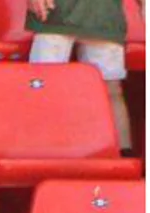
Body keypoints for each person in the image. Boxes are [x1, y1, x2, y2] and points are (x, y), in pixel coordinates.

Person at [27, 0, 144, 155]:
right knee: (43, 89)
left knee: (110, 91)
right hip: (54, 16)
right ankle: (35, 148)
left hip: (102, 19)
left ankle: (123, 154)